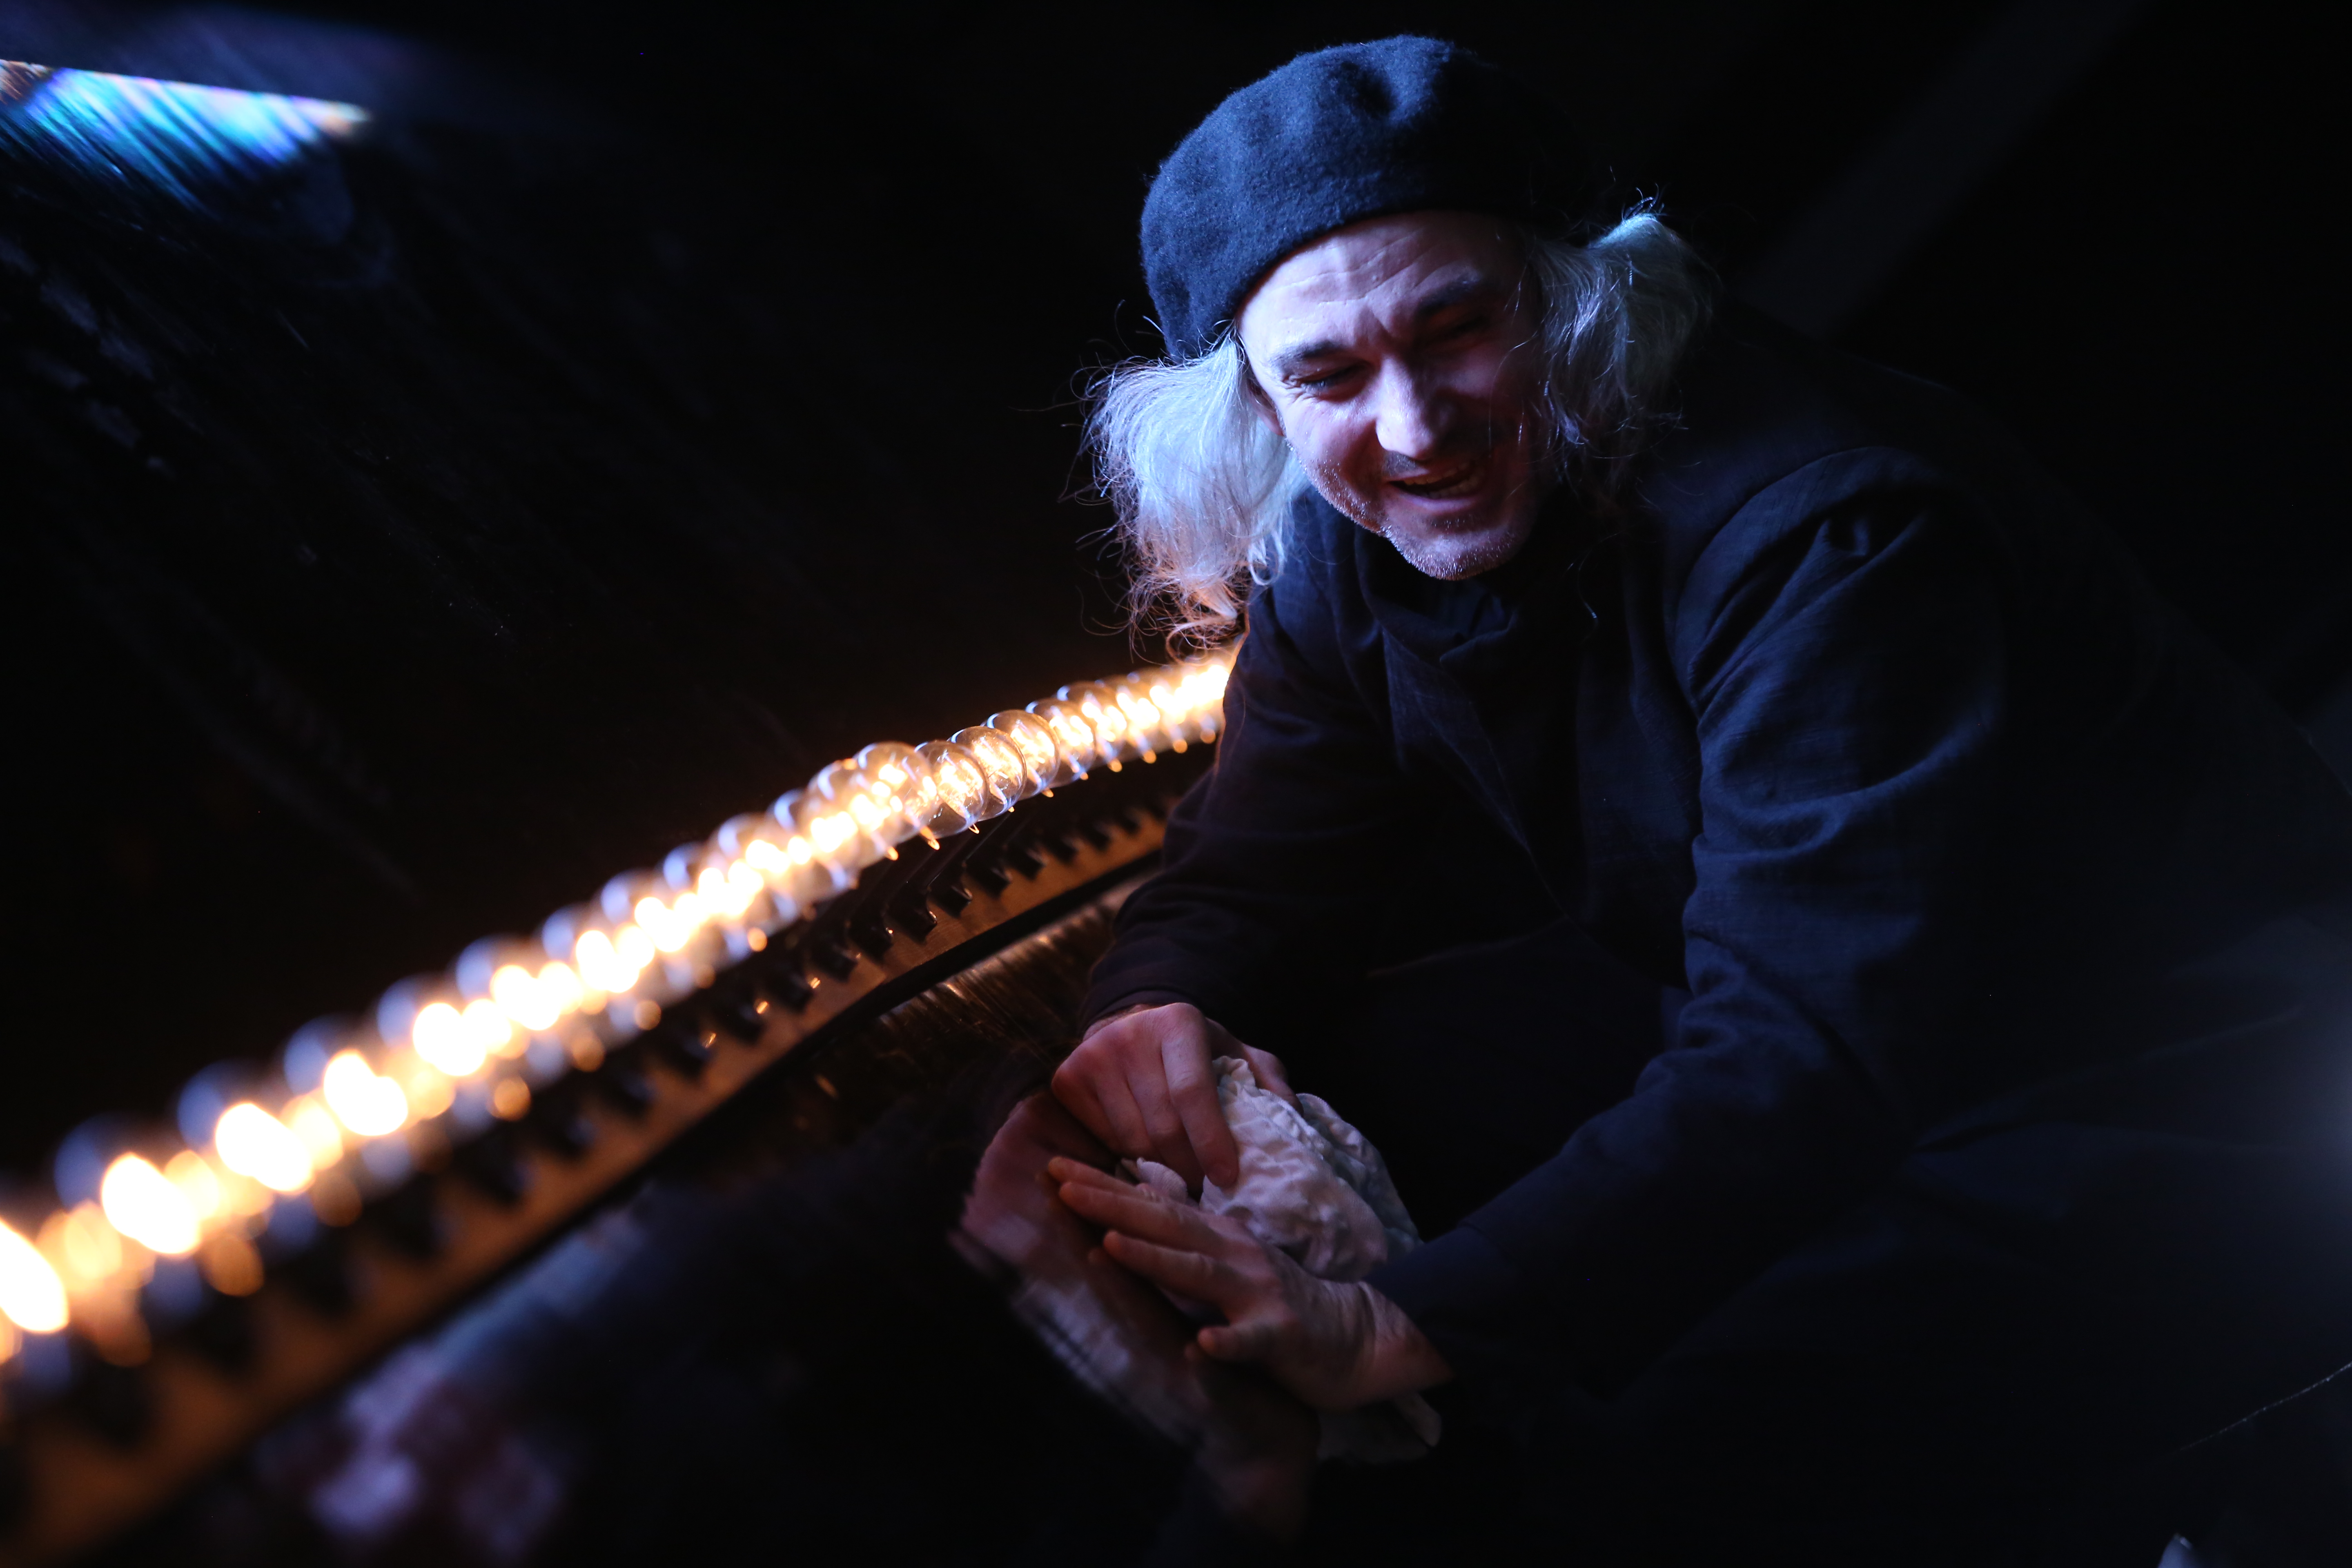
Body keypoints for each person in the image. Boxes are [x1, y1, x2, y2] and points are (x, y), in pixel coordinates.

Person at [1043, 35, 2352, 1563]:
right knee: (1349, 1074)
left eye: (1459, 328)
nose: (1411, 428)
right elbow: (1248, 879)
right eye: (1327, 375)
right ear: (1260, 404)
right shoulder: (1350, 533)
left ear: (1572, 297)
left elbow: (1808, 1047)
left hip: (2167, 1097)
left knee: (1611, 1479)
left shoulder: (1828, 533)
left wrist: (1394, 1323)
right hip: (1832, 1034)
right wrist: (1155, 1018)